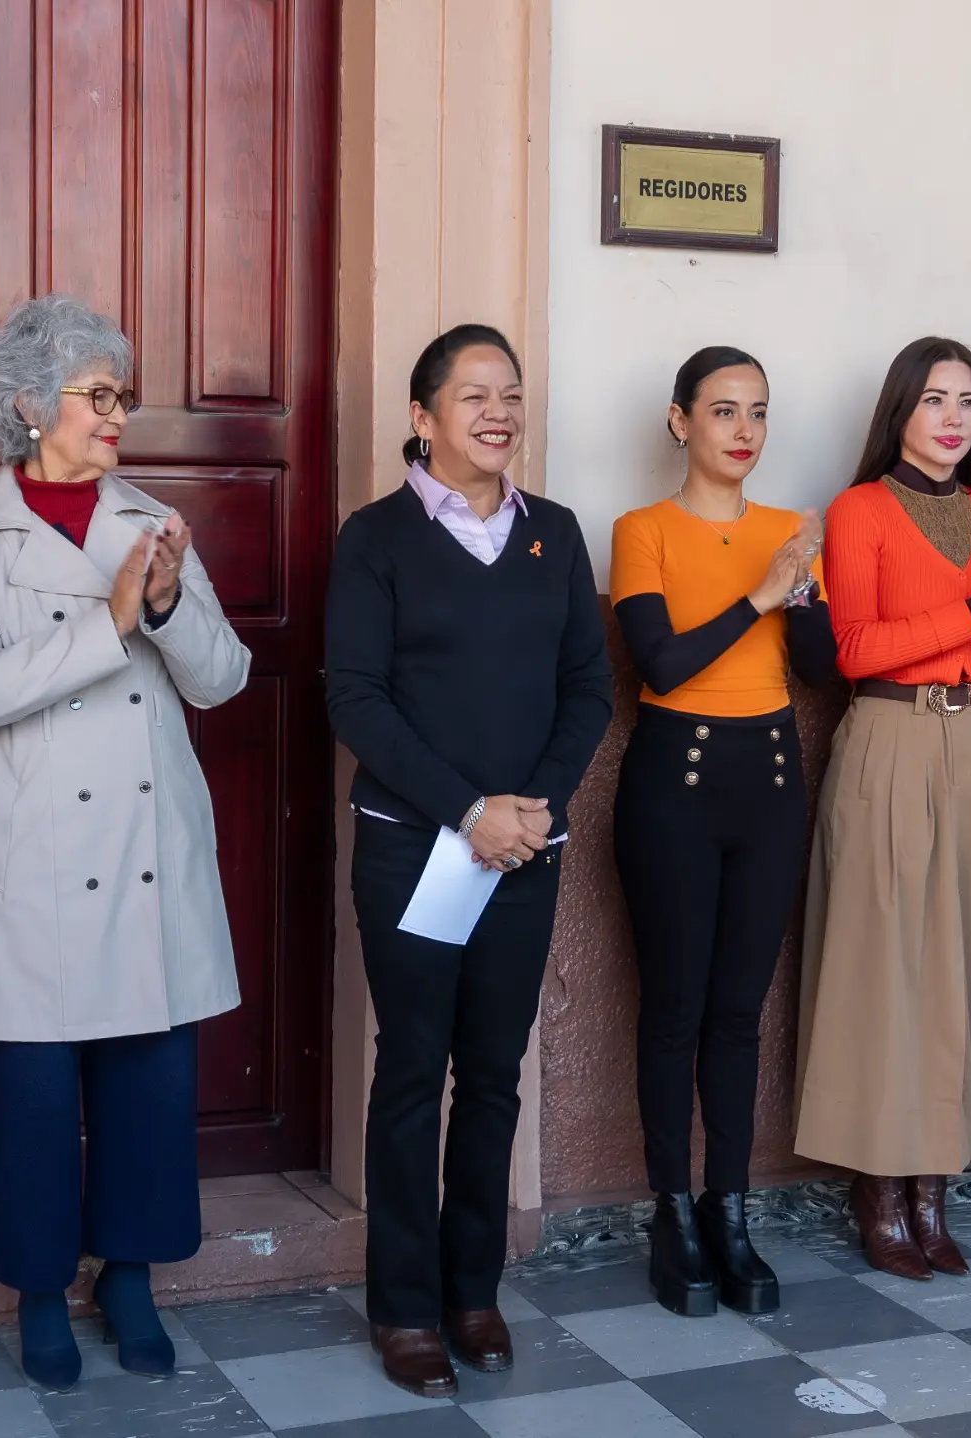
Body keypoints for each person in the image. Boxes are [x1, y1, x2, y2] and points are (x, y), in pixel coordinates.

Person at [0, 294, 251, 1390]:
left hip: (149, 844)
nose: (119, 413)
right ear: (29, 404)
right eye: (98, 393)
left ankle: (130, 1277)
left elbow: (223, 678)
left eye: (123, 392)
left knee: (149, 1086)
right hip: (33, 864)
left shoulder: (152, 520)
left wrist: (163, 607)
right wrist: (107, 623)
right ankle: (38, 1290)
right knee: (34, 1095)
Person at [328, 324, 613, 1396]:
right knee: (411, 1070)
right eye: (472, 394)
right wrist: (465, 809)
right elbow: (355, 694)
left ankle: (471, 1288)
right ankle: (403, 1305)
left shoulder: (557, 535)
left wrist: (530, 808)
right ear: (423, 416)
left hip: (525, 852)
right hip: (416, 851)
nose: (497, 411)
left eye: (511, 393)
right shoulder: (376, 538)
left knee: (494, 1073)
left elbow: (588, 684)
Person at [795, 336, 971, 1281]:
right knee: (885, 957)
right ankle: (879, 1188)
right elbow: (854, 649)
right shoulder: (858, 510)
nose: (952, 418)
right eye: (935, 398)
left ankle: (935, 1189)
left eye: (969, 402)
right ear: (899, 409)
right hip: (890, 738)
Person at [609, 345, 834, 1317]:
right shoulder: (641, 529)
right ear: (679, 422)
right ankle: (672, 1213)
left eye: (758, 413)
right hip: (674, 781)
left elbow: (821, 668)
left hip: (771, 778)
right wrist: (758, 592)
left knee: (738, 1012)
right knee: (673, 1007)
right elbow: (658, 660)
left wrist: (809, 589)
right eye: (723, 411)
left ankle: (729, 1209)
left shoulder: (790, 531)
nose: (743, 431)